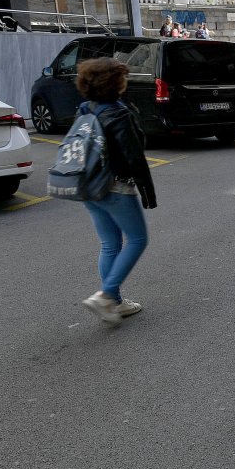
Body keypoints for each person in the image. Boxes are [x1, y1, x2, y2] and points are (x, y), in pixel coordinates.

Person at [73, 58, 158, 325]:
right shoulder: (119, 113)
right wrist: (147, 191)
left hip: (88, 183)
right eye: (123, 77)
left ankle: (115, 302)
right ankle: (106, 295)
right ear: (115, 83)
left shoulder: (85, 108)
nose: (126, 81)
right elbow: (134, 156)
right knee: (137, 239)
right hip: (115, 186)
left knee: (109, 243)